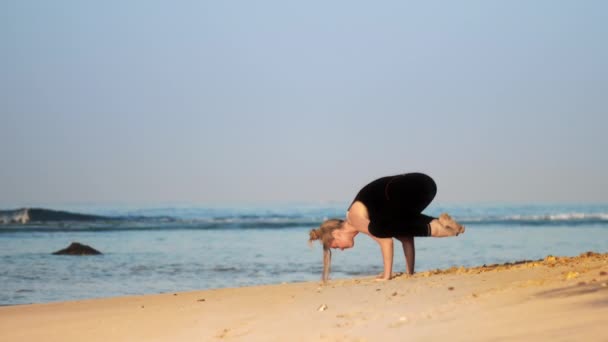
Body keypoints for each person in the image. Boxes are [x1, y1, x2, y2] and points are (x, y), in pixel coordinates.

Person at [309, 172, 465, 282]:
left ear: (336, 233)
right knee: (403, 229)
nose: (341, 249)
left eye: (335, 246)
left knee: (381, 230)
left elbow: (386, 242)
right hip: (425, 185)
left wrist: (387, 276)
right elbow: (407, 240)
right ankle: (452, 227)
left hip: (405, 188)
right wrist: (409, 274)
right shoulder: (369, 220)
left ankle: (446, 225)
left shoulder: (354, 218)